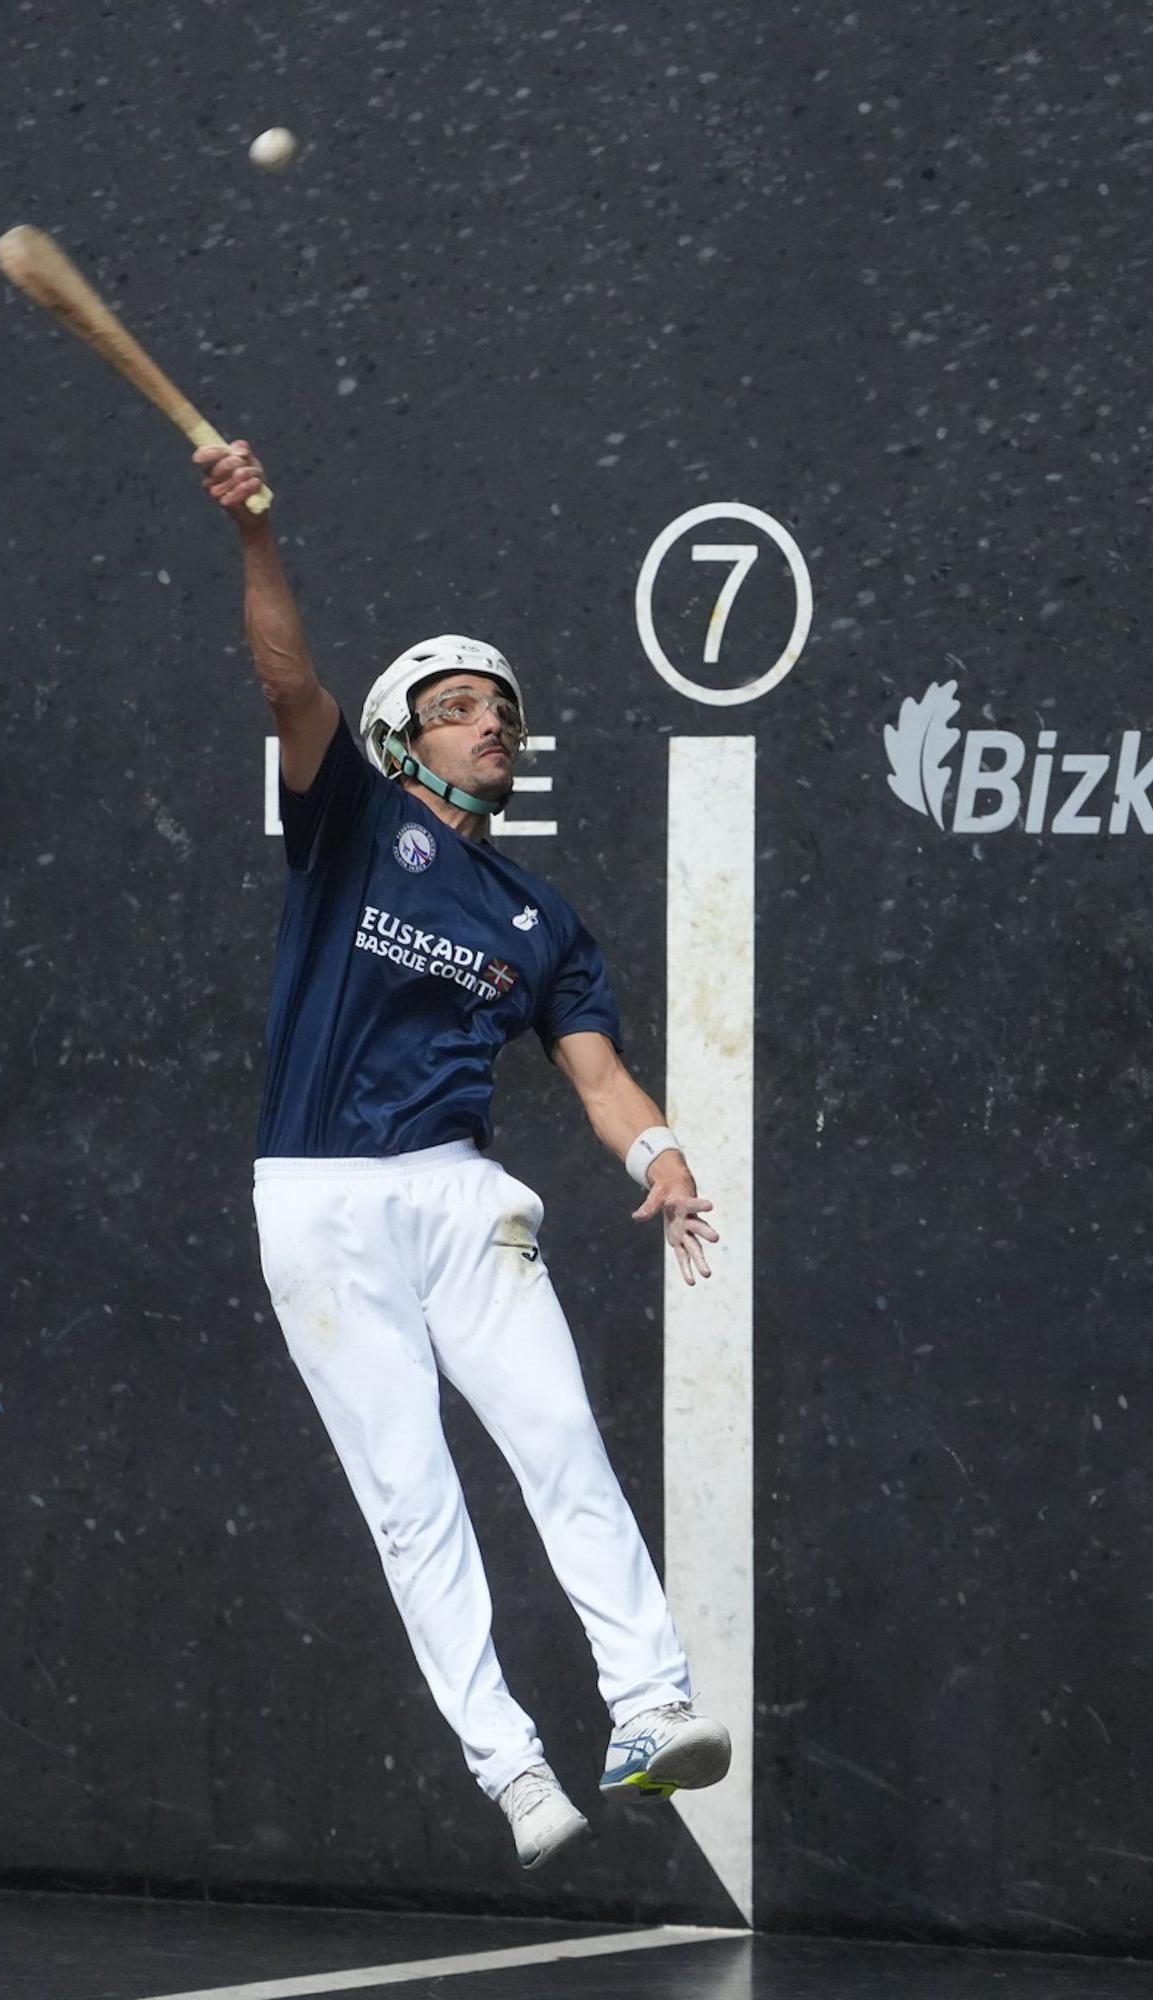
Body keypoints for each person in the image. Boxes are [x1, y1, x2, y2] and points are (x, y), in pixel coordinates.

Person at [194, 438, 730, 1871]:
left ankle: (647, 1708)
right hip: (313, 1203)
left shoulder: (541, 918)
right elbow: (286, 684)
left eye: (500, 707)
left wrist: (659, 1156)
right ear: (397, 742)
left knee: (559, 1441)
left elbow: (599, 1072)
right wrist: (256, 533)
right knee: (409, 1496)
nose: (491, 722)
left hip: (457, 1193)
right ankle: (510, 1769)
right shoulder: (349, 827)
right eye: (454, 708)